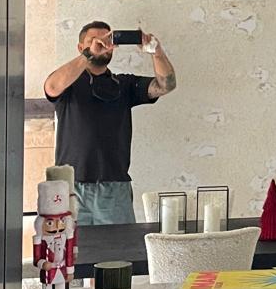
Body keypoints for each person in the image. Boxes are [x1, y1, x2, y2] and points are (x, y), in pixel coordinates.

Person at [43, 21, 177, 224]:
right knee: (66, 244)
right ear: (80, 47)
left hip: (114, 190)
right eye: (94, 40)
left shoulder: (124, 84)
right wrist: (89, 54)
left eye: (107, 40)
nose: (101, 44)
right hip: (68, 187)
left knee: (119, 245)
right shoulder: (68, 82)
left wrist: (156, 51)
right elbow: (51, 87)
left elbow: (166, 85)